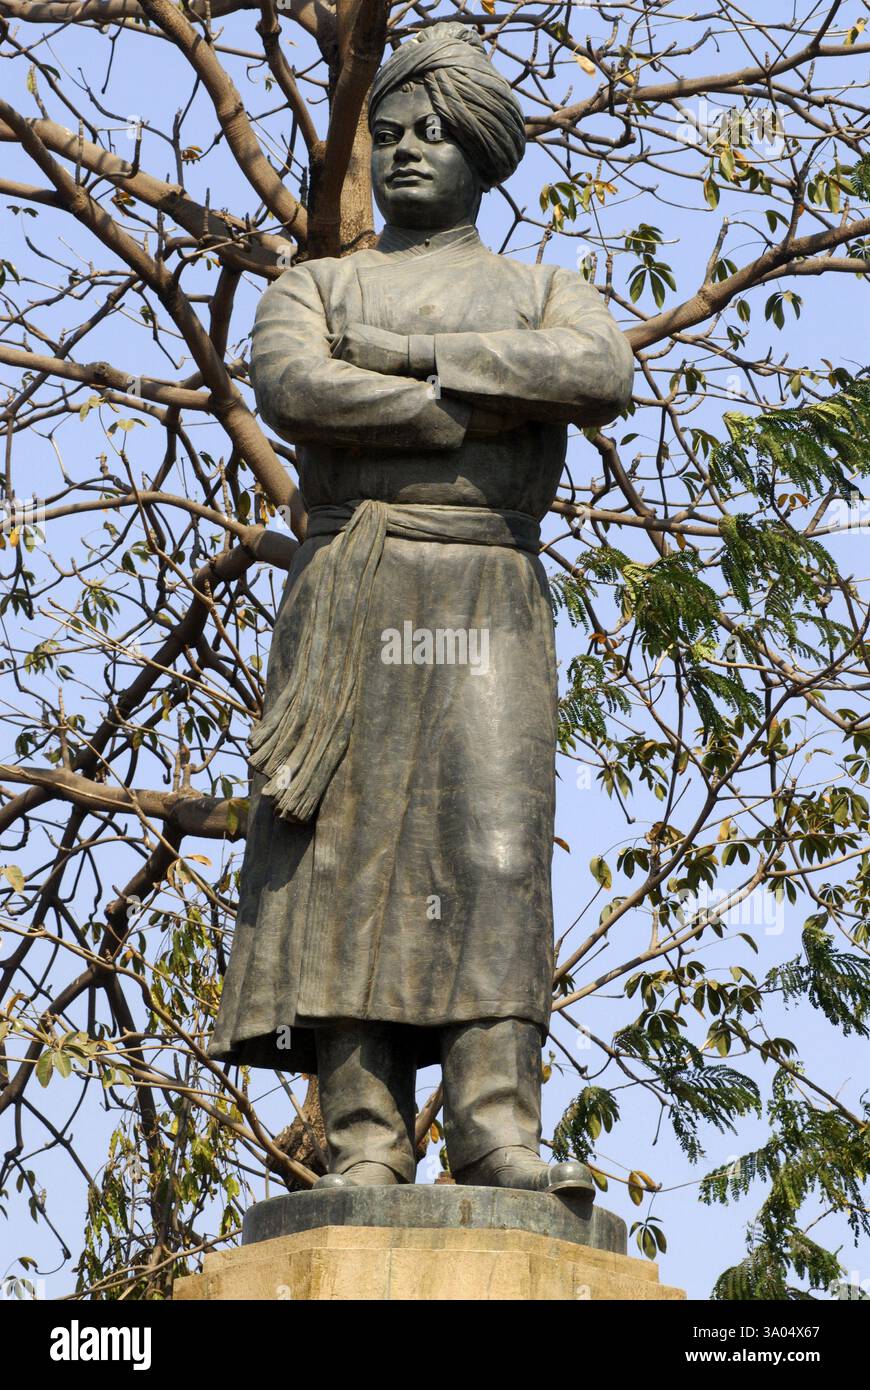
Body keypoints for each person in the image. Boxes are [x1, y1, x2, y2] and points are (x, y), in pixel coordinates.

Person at [208, 21, 634, 1192]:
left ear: (483, 150)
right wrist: (465, 405)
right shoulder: (315, 283)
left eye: (433, 130)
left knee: (493, 848)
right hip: (352, 588)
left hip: (487, 589)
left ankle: (498, 1130)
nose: (403, 148)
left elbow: (597, 373)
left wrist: (407, 361)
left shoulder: (549, 287)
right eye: (388, 129)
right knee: (343, 858)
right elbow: (298, 387)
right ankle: (364, 1138)